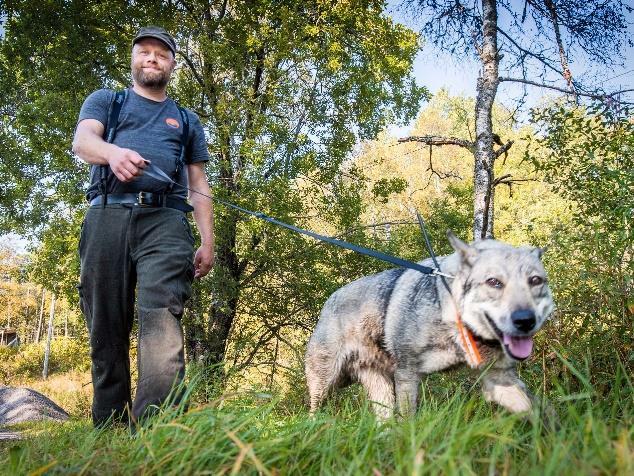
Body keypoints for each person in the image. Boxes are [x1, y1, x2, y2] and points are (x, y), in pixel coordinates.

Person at [72, 26, 214, 427]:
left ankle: (159, 428)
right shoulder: (107, 102)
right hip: (106, 215)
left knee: (162, 317)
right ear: (133, 60)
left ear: (172, 64)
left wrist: (208, 241)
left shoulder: (185, 120)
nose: (152, 58)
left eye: (161, 54)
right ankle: (110, 427)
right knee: (105, 321)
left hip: (166, 222)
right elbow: (83, 142)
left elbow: (199, 184)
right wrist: (112, 153)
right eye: (144, 52)